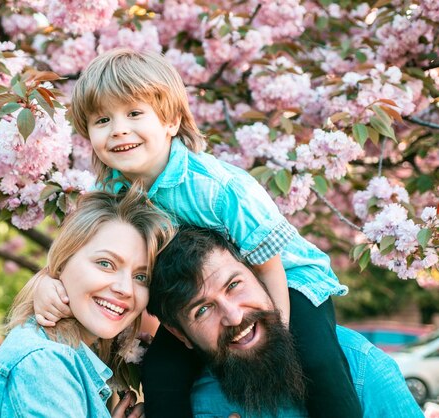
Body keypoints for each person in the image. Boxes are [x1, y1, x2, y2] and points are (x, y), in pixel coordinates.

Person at [35, 48, 360, 418]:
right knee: (159, 371)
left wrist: (277, 334)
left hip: (289, 281)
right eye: (102, 120)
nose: (119, 129)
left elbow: (270, 267)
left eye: (135, 113)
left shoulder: (215, 186)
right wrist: (49, 280)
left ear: (171, 121)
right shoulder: (112, 195)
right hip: (201, 300)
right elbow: (79, 254)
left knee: (317, 358)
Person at [147, 225, 423, 417]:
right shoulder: (180, 395)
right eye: (202, 310)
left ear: (259, 273)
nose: (233, 316)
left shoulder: (361, 366)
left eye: (233, 285)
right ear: (179, 333)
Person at [0, 187, 174, 418]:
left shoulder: (64, 356)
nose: (125, 289)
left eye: (140, 277)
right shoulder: (46, 365)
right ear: (63, 262)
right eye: (105, 263)